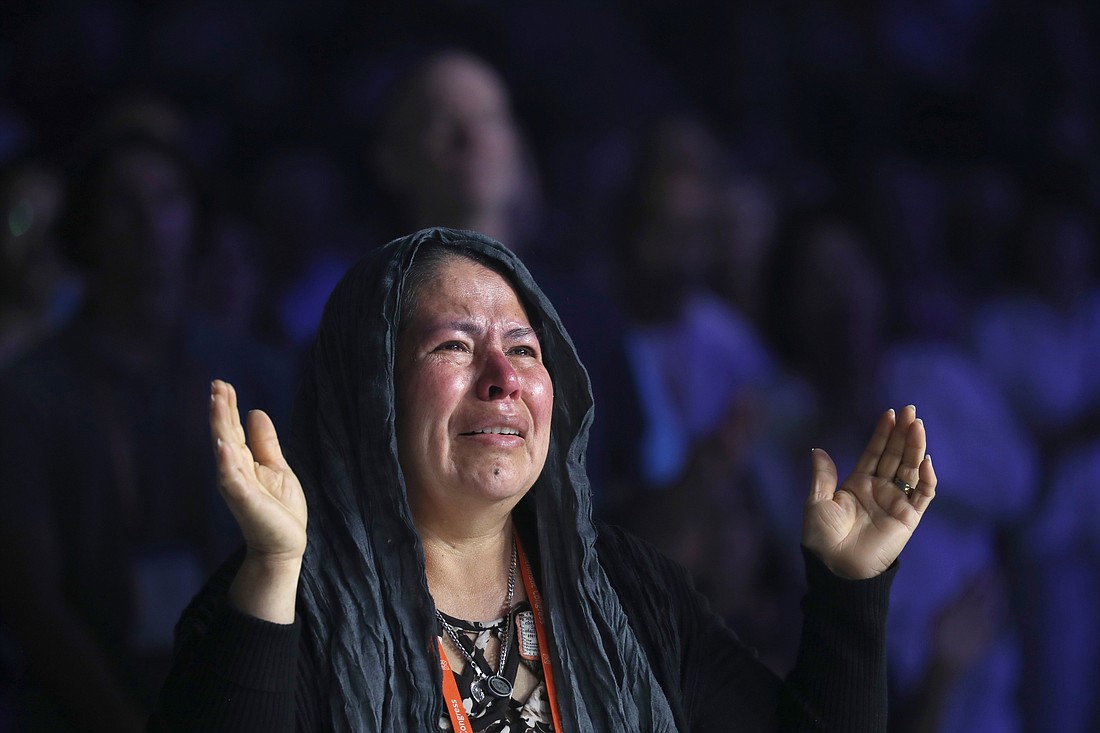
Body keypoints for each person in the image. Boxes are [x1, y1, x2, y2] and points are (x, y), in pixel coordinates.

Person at [150, 227, 937, 732]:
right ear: (370, 392)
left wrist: (851, 587)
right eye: (453, 346)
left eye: (525, 349)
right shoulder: (268, 603)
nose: (503, 379)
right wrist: (275, 570)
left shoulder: (628, 590)